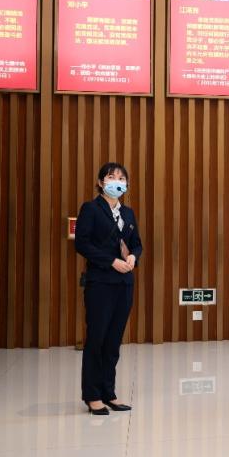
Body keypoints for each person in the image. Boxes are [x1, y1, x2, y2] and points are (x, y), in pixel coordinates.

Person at [74, 163, 142, 415]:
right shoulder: (91, 209)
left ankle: (108, 392)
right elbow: (82, 244)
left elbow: (137, 244)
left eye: (121, 178)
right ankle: (92, 395)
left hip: (124, 284)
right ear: (101, 182)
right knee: (97, 339)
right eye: (111, 177)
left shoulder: (128, 213)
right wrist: (111, 261)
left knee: (113, 341)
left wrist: (133, 256)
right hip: (100, 283)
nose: (117, 181)